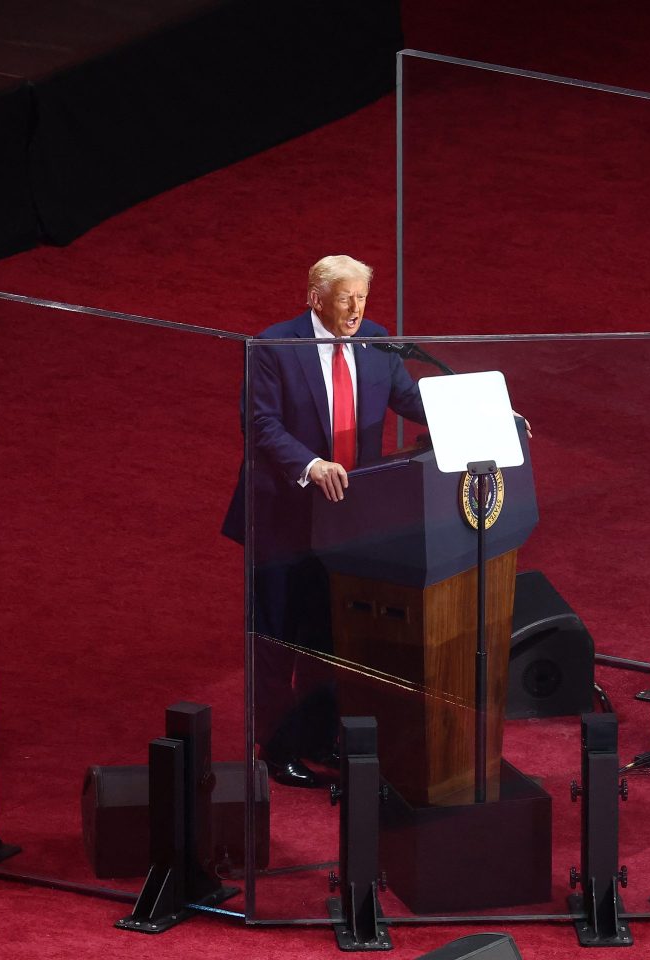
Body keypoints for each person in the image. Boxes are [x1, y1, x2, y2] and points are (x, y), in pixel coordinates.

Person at [222, 255, 426, 786]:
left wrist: (485, 412)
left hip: (346, 519)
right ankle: (275, 748)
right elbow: (259, 424)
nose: (357, 308)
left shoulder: (377, 341)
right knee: (278, 637)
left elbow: (409, 398)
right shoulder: (274, 346)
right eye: (345, 297)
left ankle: (318, 737)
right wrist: (311, 466)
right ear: (315, 297)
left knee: (330, 636)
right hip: (283, 517)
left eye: (362, 297)